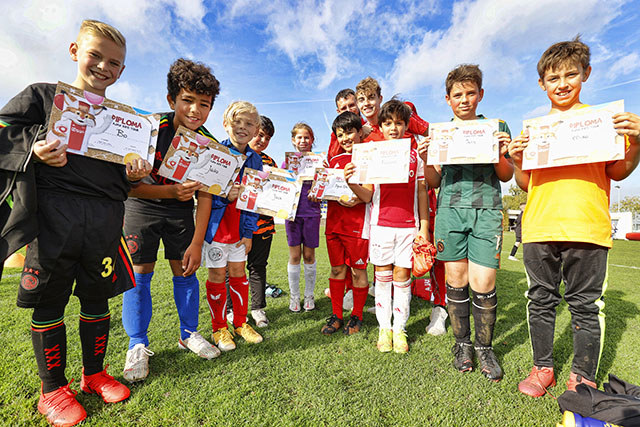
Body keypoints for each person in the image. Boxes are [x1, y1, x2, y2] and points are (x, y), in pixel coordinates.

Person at [0, 19, 152, 426]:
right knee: (50, 301)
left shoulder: (125, 121)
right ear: (74, 51)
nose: (104, 66)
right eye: (95, 55)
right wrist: (36, 147)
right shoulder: (42, 96)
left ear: (122, 70)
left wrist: (133, 174)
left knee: (97, 298)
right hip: (53, 216)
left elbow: (124, 177)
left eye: (114, 63)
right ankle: (52, 389)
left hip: (104, 219)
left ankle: (94, 374)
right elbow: (4, 129)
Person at [509, 37, 640, 397]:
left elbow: (618, 171)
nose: (562, 84)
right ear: (542, 83)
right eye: (553, 78)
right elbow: (525, 182)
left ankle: (582, 376)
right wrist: (517, 161)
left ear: (586, 73)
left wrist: (637, 143)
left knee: (585, 306)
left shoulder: (602, 122)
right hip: (540, 227)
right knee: (540, 299)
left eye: (571, 74)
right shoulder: (533, 131)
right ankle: (542, 368)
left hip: (587, 226)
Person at [121, 58, 221, 384]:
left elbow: (206, 196)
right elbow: (129, 187)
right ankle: (137, 344)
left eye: (204, 104)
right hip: (141, 207)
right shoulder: (149, 129)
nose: (195, 110)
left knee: (186, 270)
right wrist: (171, 191)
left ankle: (188, 333)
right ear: (171, 99)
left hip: (180, 212)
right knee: (139, 274)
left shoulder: (208, 144)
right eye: (187, 100)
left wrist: (197, 242)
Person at [419, 64, 513, 381]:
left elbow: (506, 175)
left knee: (483, 282)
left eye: (470, 93)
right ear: (448, 99)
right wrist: (426, 159)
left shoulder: (497, 127)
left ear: (480, 94)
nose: (464, 100)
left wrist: (500, 151)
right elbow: (433, 181)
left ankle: (485, 348)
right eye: (457, 95)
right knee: (456, 279)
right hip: (450, 210)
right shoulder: (439, 133)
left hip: (486, 209)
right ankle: (462, 345)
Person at [345, 100, 429, 353]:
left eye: (399, 123)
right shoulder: (373, 155)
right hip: (381, 226)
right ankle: (385, 329)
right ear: (380, 126)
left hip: (408, 227)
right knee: (382, 279)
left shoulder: (416, 156)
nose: (394, 128)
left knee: (402, 277)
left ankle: (399, 329)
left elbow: (422, 193)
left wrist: (424, 228)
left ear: (406, 126)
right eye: (388, 123)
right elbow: (368, 196)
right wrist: (351, 183)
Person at [183, 101, 264, 352]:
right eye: (237, 122)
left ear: (256, 130)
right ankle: (219, 327)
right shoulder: (215, 153)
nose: (242, 127)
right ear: (226, 124)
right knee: (218, 275)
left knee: (239, 273)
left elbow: (253, 201)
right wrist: (225, 197)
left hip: (240, 229)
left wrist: (248, 232)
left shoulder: (256, 160)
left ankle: (240, 323)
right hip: (217, 228)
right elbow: (204, 194)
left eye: (249, 123)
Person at [314, 111, 370, 335]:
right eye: (340, 135)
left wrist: (358, 197)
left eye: (349, 132)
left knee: (358, 271)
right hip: (334, 224)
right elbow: (327, 191)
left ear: (359, 132)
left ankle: (357, 316)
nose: (345, 138)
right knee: (337, 269)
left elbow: (369, 195)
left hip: (357, 225)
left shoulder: (368, 157)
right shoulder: (333, 161)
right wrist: (317, 192)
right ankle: (337, 315)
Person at [226, 115, 281, 328]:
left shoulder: (271, 163)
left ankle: (257, 309)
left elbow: (279, 193)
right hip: (237, 225)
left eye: (267, 138)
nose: (263, 141)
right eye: (260, 135)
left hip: (264, 225)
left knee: (258, 267)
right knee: (232, 269)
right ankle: (231, 310)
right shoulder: (233, 155)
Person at [284, 123, 322, 312]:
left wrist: (319, 188)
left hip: (312, 214)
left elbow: (325, 186)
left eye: (307, 137)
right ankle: (294, 297)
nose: (303, 140)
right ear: (293, 140)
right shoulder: (287, 163)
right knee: (294, 256)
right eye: (299, 137)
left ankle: (309, 296)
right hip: (291, 215)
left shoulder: (319, 162)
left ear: (312, 140)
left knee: (308, 256)